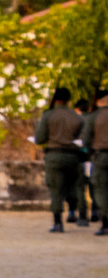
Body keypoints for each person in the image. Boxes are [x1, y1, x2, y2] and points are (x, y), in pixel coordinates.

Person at [33, 87, 85, 232]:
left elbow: (40, 138)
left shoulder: (48, 115)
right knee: (72, 185)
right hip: (73, 156)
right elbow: (83, 138)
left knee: (56, 188)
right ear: (69, 99)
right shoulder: (77, 117)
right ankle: (72, 211)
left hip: (54, 156)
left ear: (56, 99)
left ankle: (57, 222)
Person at [88, 87, 108, 236]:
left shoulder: (94, 116)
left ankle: (105, 223)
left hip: (101, 156)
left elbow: (85, 138)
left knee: (101, 190)